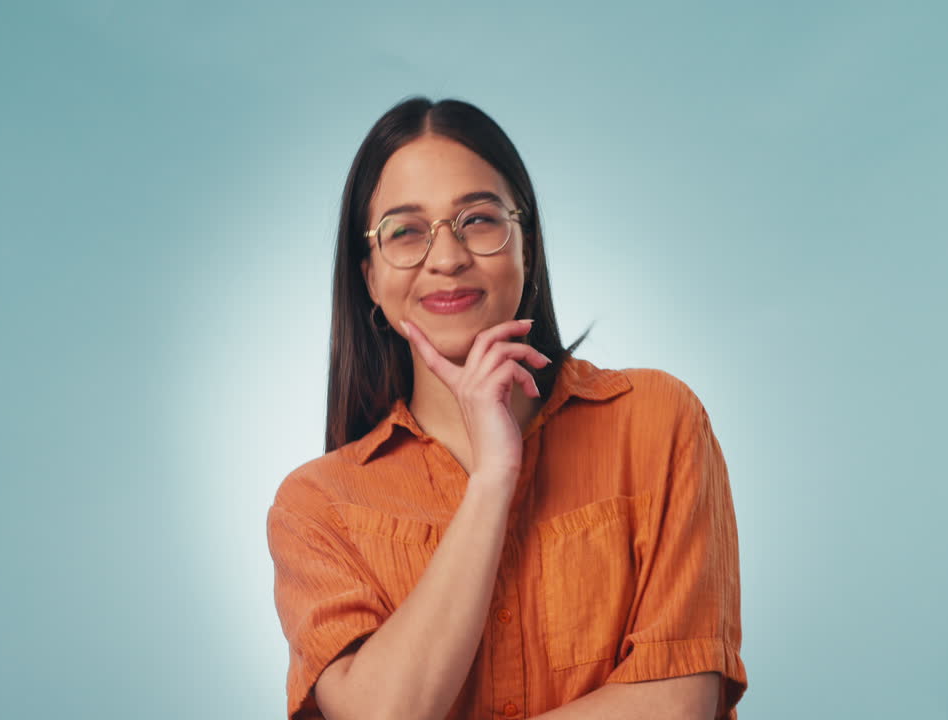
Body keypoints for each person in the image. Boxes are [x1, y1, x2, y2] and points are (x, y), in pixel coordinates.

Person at [266, 96, 747, 720]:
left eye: (478, 219)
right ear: (369, 278)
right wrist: (493, 481)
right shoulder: (316, 508)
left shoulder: (657, 420)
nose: (447, 257)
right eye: (406, 231)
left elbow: (681, 700)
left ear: (527, 244)